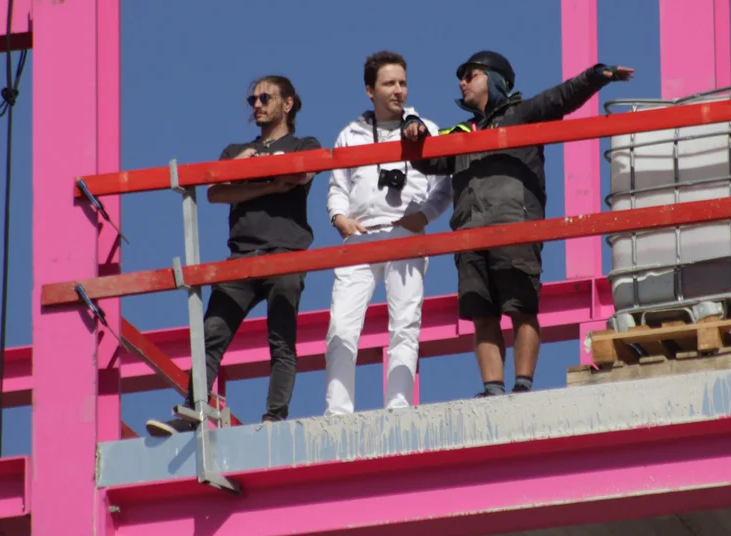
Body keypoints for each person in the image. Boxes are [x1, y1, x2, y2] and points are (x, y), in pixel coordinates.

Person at [403, 51, 634, 398]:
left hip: (515, 227)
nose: (462, 83)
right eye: (461, 78)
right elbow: (426, 159)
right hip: (469, 233)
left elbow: (562, 97)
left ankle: (522, 386)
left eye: (471, 75)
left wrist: (598, 75)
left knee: (522, 309)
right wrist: (412, 131)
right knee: (482, 313)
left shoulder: (522, 114)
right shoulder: (461, 132)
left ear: (495, 79)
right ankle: (492, 390)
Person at [146, 75, 320, 435]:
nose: (257, 104)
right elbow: (215, 192)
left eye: (265, 98)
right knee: (211, 334)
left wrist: (246, 179)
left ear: (287, 104)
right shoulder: (235, 151)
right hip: (241, 257)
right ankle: (194, 412)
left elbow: (302, 173)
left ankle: (274, 419)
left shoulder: (304, 144)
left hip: (286, 255)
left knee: (281, 339)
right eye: (253, 99)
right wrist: (264, 180)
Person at [324, 51, 452, 416]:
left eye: (403, 83)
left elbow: (445, 185)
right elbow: (337, 186)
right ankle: (338, 412)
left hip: (405, 234)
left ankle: (398, 405)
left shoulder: (425, 129)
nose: (398, 90)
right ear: (370, 90)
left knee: (405, 324)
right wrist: (340, 218)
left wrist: (423, 216)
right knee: (341, 326)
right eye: (389, 83)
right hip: (360, 236)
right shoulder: (350, 135)